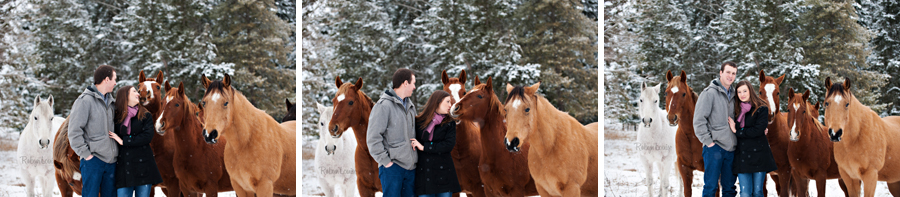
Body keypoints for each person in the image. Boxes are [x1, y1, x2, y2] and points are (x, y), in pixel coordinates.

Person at [68, 65, 118, 197]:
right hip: (93, 161)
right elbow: (74, 132)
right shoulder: (84, 101)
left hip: (112, 162)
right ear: (106, 79)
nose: (115, 83)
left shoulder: (112, 103)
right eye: (114, 79)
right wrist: (87, 155)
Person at [368, 68, 418, 197]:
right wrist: (387, 163)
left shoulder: (410, 106)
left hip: (411, 168)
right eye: (413, 83)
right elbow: (373, 139)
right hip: (393, 168)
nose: (414, 87)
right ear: (405, 83)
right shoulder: (383, 106)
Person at [108, 86, 163, 197]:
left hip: (143, 167)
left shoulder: (146, 115)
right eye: (134, 91)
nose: (138, 94)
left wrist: (124, 141)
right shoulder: (116, 116)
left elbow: (147, 137)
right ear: (125, 96)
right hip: (123, 168)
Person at [693, 61, 738, 197]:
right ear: (721, 73)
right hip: (714, 148)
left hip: (731, 150)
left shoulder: (736, 95)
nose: (730, 76)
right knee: (711, 187)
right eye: (728, 72)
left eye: (733, 73)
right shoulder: (709, 93)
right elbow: (699, 121)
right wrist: (709, 143)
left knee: (729, 189)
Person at [727, 81, 777, 197]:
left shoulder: (761, 108)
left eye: (745, 91)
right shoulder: (735, 109)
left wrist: (737, 131)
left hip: (759, 154)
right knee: (745, 193)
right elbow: (755, 131)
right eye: (739, 92)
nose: (742, 94)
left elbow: (758, 130)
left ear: (750, 90)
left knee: (758, 191)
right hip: (742, 156)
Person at [412, 90, 462, 197]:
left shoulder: (450, 123)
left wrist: (424, 147)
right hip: (424, 175)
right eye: (447, 102)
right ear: (438, 102)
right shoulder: (419, 121)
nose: (450, 105)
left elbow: (448, 145)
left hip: (443, 174)